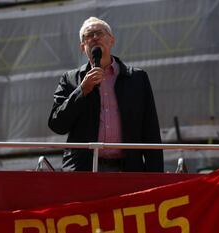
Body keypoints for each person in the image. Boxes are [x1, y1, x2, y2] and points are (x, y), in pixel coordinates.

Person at [48, 17, 163, 172]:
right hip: (84, 171)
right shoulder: (70, 79)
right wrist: (82, 90)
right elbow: (57, 124)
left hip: (128, 170)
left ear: (111, 40)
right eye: (89, 35)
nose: (95, 37)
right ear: (83, 47)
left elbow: (150, 130)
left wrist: (155, 176)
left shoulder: (137, 78)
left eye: (99, 33)